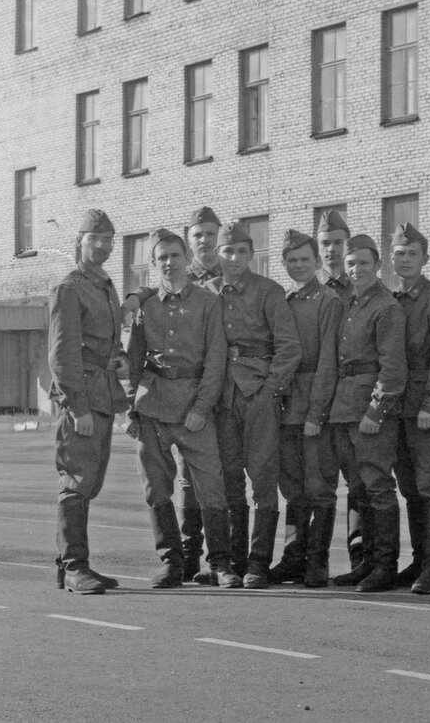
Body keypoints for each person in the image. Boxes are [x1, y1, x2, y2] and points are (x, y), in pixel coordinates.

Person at [126, 228, 240, 589]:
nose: (170, 263)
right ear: (154, 264)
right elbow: (133, 360)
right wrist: (132, 407)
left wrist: (202, 407)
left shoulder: (208, 302)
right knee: (156, 488)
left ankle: (220, 563)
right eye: (162, 258)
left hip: (193, 406)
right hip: (154, 407)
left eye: (175, 256)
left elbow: (216, 360)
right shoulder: (146, 305)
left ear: (186, 259)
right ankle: (171, 562)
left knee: (210, 485)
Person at [206, 222, 302, 588]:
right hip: (222, 395)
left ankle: (259, 561)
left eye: (242, 252)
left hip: (257, 392)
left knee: (263, 478)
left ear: (251, 255)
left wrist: (269, 388)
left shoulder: (268, 291)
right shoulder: (207, 291)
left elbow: (289, 347)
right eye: (228, 252)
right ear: (218, 255)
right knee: (230, 477)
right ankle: (234, 560)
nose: (234, 258)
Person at [49, 208, 130, 595]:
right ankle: (74, 566)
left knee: (91, 480)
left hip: (103, 393)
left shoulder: (105, 285)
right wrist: (77, 406)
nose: (102, 245)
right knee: (77, 477)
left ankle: (72, 565)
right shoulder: (71, 287)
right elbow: (62, 354)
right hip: (82, 397)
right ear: (78, 242)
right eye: (94, 238)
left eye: (108, 239)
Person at [329, 234, 408, 593]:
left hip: (369, 409)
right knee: (358, 487)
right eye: (350, 264)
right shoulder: (349, 303)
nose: (356, 269)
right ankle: (365, 562)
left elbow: (392, 368)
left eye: (363, 263)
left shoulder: (386, 307)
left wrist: (376, 410)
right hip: (344, 406)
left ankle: (385, 566)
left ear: (377, 265)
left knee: (378, 485)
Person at [269, 229, 341, 588]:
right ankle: (293, 557)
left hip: (314, 403)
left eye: (305, 260)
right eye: (292, 261)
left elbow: (329, 360)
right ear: (284, 264)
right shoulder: (284, 299)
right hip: (286, 405)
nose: (299, 266)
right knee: (292, 487)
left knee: (319, 485)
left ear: (316, 262)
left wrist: (317, 413)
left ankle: (318, 561)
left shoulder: (328, 300)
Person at [387, 223, 430, 595]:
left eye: (413, 253)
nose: (406, 259)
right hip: (395, 408)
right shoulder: (389, 298)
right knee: (410, 487)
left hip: (425, 410)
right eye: (399, 253)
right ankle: (418, 558)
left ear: (425, 258)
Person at [314, 208, 364, 570]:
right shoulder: (306, 291)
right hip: (314, 399)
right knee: (317, 483)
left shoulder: (359, 289)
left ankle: (362, 560)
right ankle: (312, 561)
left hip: (351, 399)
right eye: (325, 243)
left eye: (337, 243)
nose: (331, 250)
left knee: (360, 482)